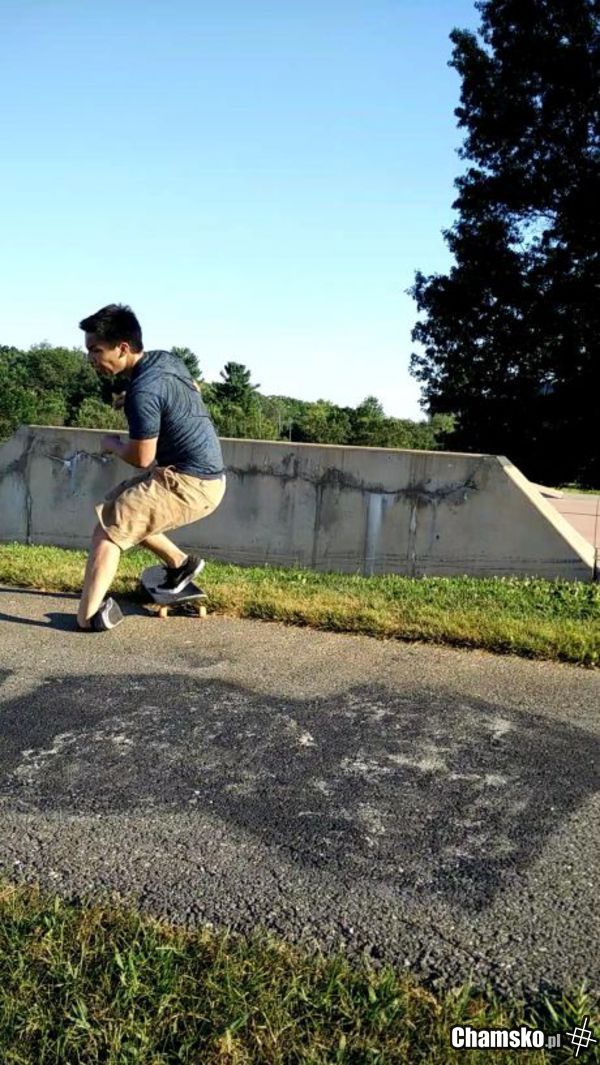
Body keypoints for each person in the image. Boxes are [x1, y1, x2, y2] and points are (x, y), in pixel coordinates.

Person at [76, 303, 225, 631]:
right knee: (117, 507)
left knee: (108, 531)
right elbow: (194, 388)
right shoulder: (165, 360)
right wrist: (138, 398)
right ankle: (180, 564)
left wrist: (111, 444)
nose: (91, 359)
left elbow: (141, 457)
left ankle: (87, 618)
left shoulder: (142, 392)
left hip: (189, 483)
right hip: (203, 475)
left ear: (122, 348)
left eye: (96, 350)